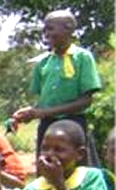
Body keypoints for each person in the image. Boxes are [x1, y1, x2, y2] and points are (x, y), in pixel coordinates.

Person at [12, 10, 102, 165]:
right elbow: (42, 102)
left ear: (69, 29)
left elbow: (85, 101)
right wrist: (28, 113)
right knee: (46, 169)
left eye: (51, 28)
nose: (46, 33)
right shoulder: (43, 62)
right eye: (45, 29)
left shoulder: (82, 58)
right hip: (47, 126)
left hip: (74, 124)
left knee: (77, 172)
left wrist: (43, 112)